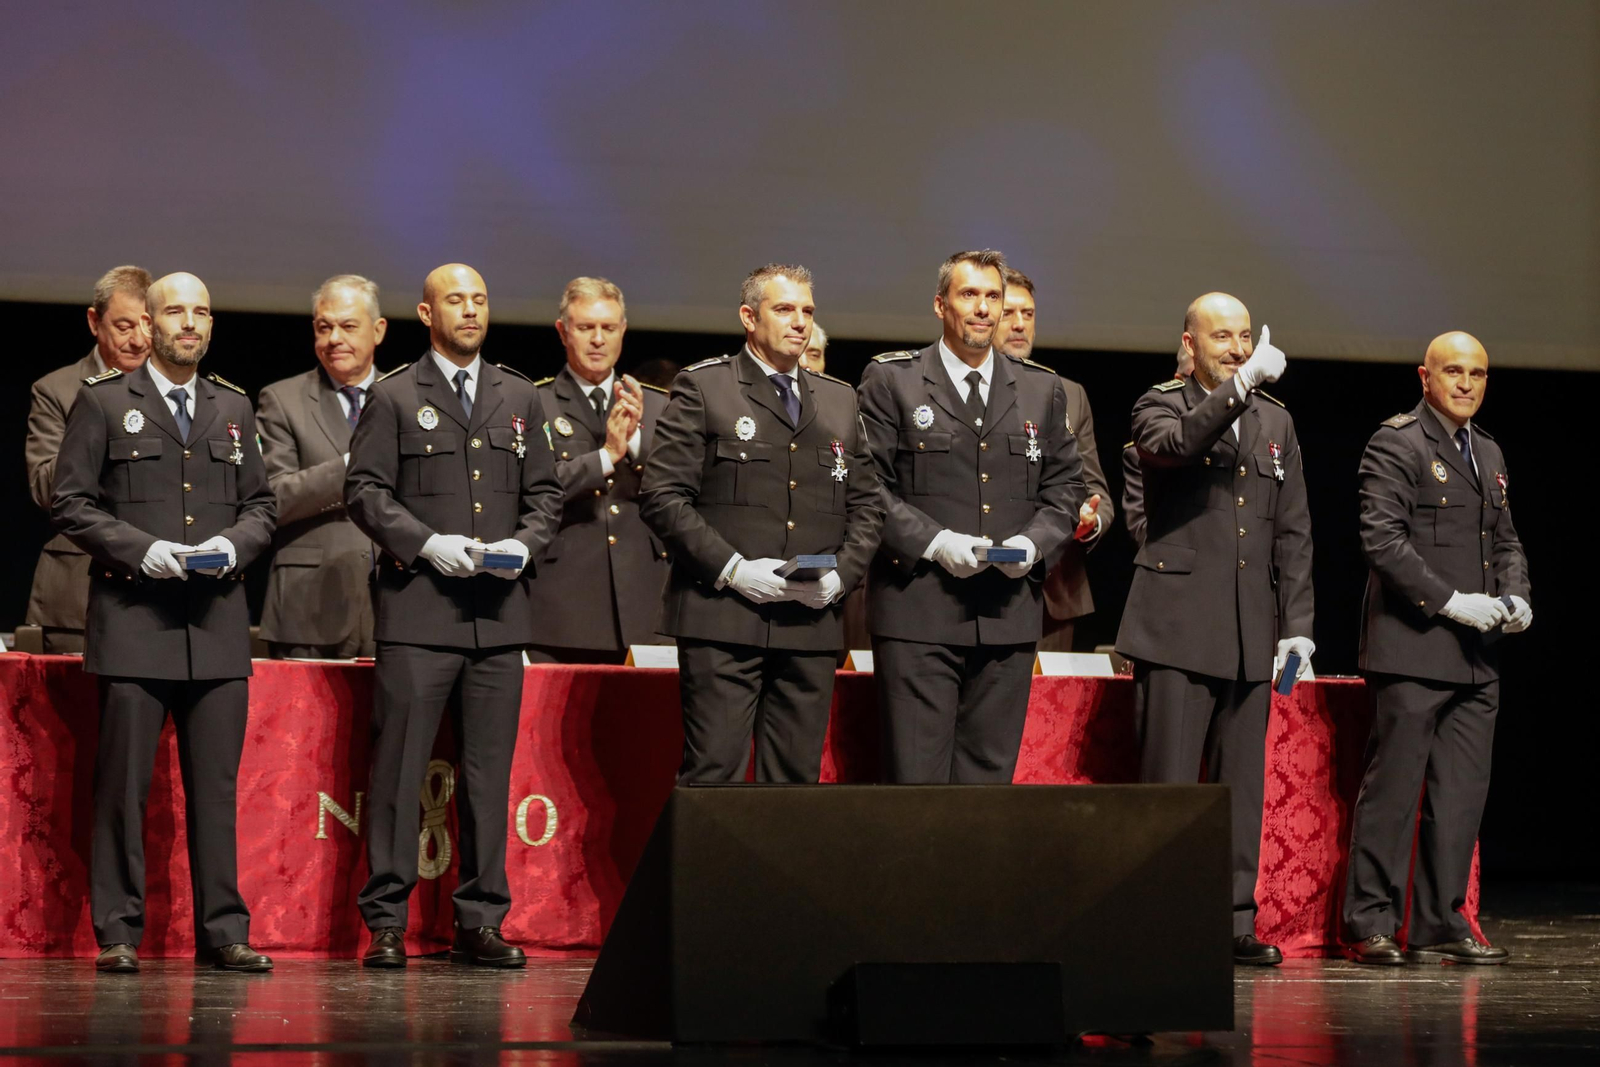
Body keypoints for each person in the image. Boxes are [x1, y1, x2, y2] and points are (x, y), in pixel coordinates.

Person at [52, 271, 277, 973]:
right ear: (147, 323)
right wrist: (140, 549)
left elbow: (262, 507)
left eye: (201, 311)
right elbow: (71, 502)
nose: (190, 322)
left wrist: (232, 546)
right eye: (176, 310)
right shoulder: (104, 402)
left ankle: (224, 929)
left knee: (215, 786)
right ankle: (118, 931)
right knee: (122, 787)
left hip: (214, 625)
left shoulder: (234, 407)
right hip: (132, 620)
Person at [345, 263, 562, 969]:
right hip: (419, 612)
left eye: (479, 298)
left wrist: (522, 546)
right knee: (400, 771)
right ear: (425, 313)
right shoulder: (396, 393)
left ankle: (480, 919)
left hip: (498, 616)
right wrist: (427, 544)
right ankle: (385, 919)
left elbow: (546, 499)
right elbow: (365, 491)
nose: (469, 310)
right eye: (455, 301)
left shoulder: (519, 394)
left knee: (487, 774)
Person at [1114, 293, 1313, 966]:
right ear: (1189, 344)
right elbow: (1174, 447)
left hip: (1249, 629)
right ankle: (1158, 918)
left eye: (1244, 335)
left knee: (1240, 788)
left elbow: (1294, 530)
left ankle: (1232, 920)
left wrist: (1299, 627)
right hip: (1175, 626)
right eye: (1220, 336)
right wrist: (1240, 384)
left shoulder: (1275, 421)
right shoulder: (1161, 404)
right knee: (1168, 786)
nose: (1236, 345)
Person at [639, 264, 883, 783]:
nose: (800, 322)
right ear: (749, 317)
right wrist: (733, 569)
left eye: (807, 311)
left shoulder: (839, 398)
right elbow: (662, 497)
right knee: (715, 776)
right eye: (784, 309)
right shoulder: (706, 387)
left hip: (809, 623)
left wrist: (842, 575)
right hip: (722, 616)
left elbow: (868, 505)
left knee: (794, 786)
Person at [856, 250, 1087, 784]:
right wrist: (935, 542)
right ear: (941, 305)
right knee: (917, 784)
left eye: (992, 297)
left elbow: (1066, 486)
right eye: (969, 295)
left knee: (987, 790)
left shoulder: (1041, 388)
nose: (983, 309)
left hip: (1007, 615)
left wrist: (1035, 546)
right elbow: (869, 487)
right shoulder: (894, 381)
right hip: (920, 614)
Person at [1342, 331, 1530, 966]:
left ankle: (1439, 921)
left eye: (1478, 373)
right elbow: (1383, 540)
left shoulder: (1490, 450)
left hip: (1479, 657)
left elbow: (1504, 539)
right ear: (1425, 376)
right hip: (1413, 647)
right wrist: (1451, 601)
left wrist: (1516, 595)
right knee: (1393, 791)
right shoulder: (1396, 442)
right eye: (1454, 371)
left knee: (1460, 796)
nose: (1466, 384)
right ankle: (1370, 921)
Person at [527, 277, 671, 662]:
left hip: (648, 600)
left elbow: (681, 489)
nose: (597, 339)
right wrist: (606, 456)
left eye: (608, 328)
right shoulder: (534, 403)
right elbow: (534, 489)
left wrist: (636, 445)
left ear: (622, 330)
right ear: (563, 331)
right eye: (585, 327)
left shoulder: (659, 406)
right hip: (565, 604)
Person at [256, 275, 390, 658]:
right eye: (323, 327)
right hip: (308, 604)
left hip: (398, 602)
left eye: (348, 326)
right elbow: (270, 498)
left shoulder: (407, 398)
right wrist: (351, 467)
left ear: (378, 330)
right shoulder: (281, 399)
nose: (334, 338)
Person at [25, 266, 153, 653]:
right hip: (76, 592)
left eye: (147, 326)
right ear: (94, 321)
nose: (138, 341)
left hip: (159, 595)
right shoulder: (57, 390)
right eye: (124, 326)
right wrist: (99, 412)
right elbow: (46, 488)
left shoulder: (176, 393)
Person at [993, 267, 1111, 652]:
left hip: (1054, 592)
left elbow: (1097, 494)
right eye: (1009, 313)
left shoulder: (1070, 394)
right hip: (982, 582)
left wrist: (1089, 522)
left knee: (1049, 711)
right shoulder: (961, 391)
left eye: (1027, 314)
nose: (1019, 324)